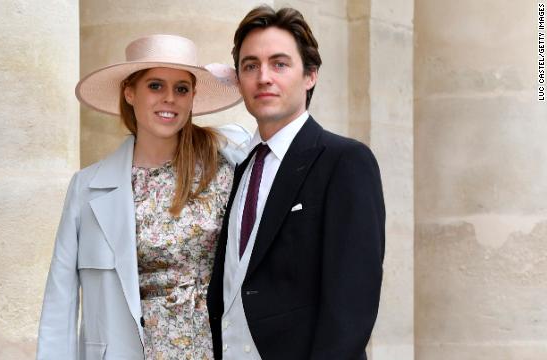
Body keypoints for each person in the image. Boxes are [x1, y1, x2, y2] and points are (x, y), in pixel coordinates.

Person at [37, 34, 250, 360]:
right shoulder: (87, 186)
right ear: (130, 92)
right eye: (155, 86)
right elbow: (60, 300)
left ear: (193, 96)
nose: (170, 99)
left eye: (181, 88)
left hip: (212, 348)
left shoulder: (225, 164)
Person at [207, 5, 386, 360]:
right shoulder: (240, 167)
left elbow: (351, 308)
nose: (264, 77)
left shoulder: (345, 161)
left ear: (310, 76)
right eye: (250, 65)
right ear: (239, 80)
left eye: (280, 63)